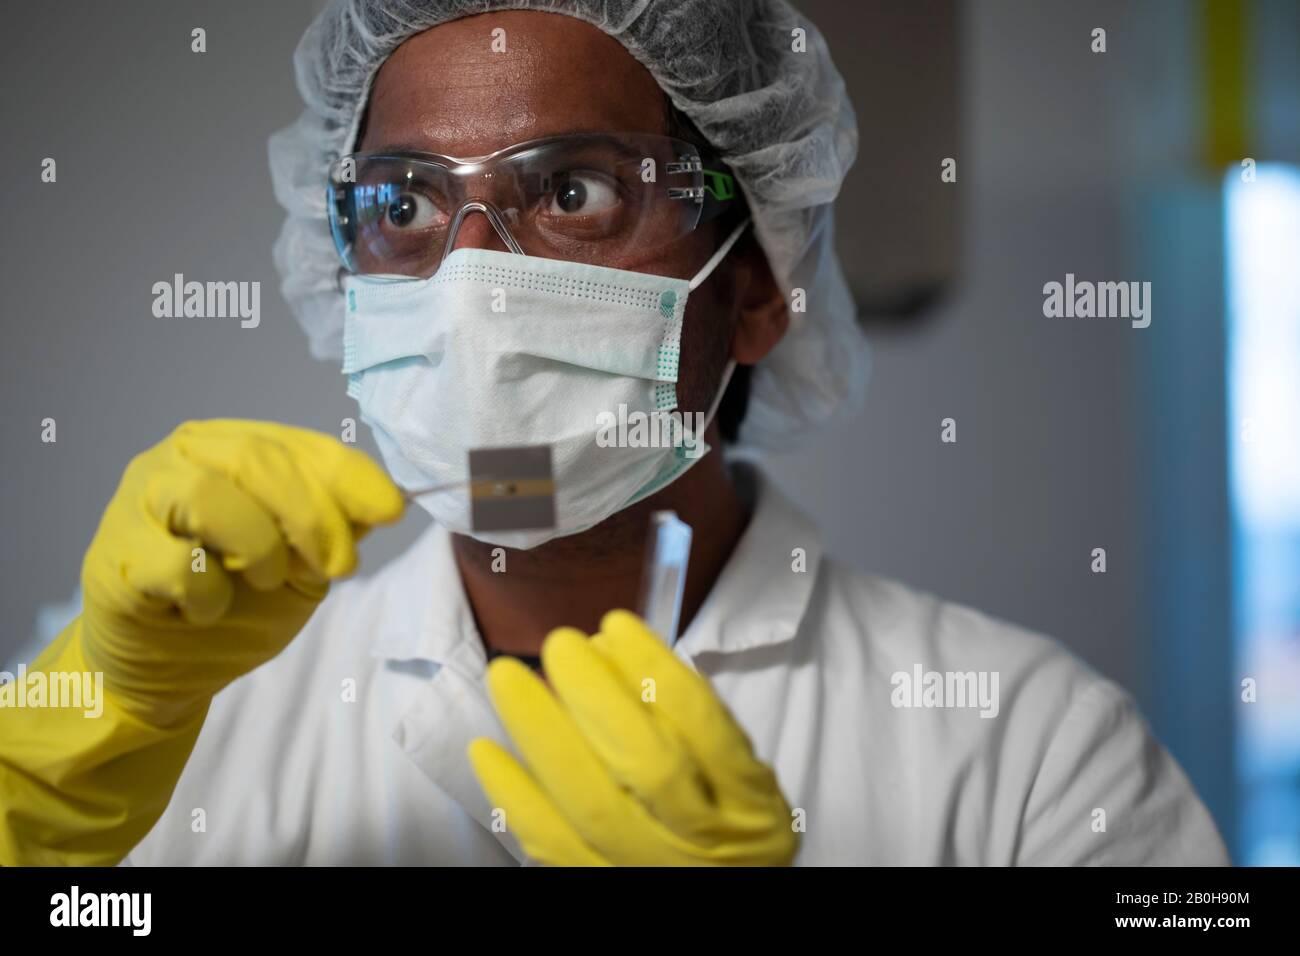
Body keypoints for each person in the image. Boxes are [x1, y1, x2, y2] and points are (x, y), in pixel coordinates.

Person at [0, 0, 1227, 866]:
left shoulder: (1033, 752)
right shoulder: (169, 706)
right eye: (405, 203)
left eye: (575, 191)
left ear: (753, 286)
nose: (469, 281)